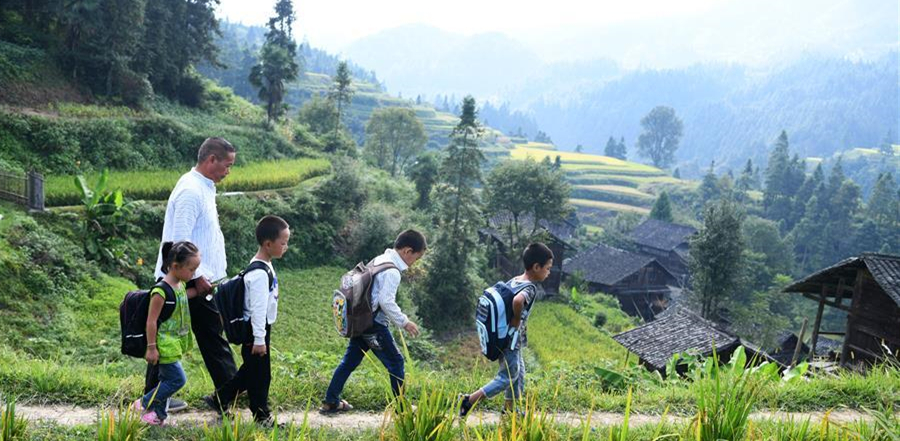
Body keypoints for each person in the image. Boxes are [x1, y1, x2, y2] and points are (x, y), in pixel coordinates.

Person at [150, 137, 237, 412]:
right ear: (211, 159)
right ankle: (229, 394)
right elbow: (179, 242)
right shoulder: (191, 190)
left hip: (194, 280)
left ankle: (155, 399)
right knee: (213, 340)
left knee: (180, 338)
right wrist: (196, 277)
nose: (228, 171)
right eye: (227, 165)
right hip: (188, 282)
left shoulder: (204, 187)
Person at [319, 230, 427, 413]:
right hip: (374, 325)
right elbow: (386, 301)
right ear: (408, 251)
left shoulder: (380, 259)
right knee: (396, 362)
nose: (413, 263)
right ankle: (401, 408)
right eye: (416, 258)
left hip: (361, 320)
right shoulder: (392, 271)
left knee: (349, 361)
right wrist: (404, 322)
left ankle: (330, 400)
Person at [458, 243, 554, 417]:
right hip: (510, 340)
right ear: (536, 267)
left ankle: (510, 411)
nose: (549, 272)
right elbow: (517, 301)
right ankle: (469, 400)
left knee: (518, 375)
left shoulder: (515, 280)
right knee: (507, 377)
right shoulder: (530, 288)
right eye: (547, 268)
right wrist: (516, 320)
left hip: (507, 337)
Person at [211, 215, 290, 426]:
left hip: (259, 329)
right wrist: (259, 339)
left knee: (252, 372)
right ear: (268, 244)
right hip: (255, 329)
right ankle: (261, 416)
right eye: (283, 243)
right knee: (261, 376)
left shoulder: (264, 266)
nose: (286, 247)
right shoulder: (259, 274)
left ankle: (220, 398)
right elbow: (257, 310)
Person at [133, 241, 202, 425]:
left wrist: (202, 290)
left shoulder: (179, 286)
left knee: (165, 380)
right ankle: (143, 403)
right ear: (175, 266)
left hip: (174, 343)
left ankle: (157, 416)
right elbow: (151, 321)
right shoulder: (160, 291)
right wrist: (151, 348)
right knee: (177, 379)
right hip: (163, 344)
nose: (193, 273)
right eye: (191, 269)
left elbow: (183, 297)